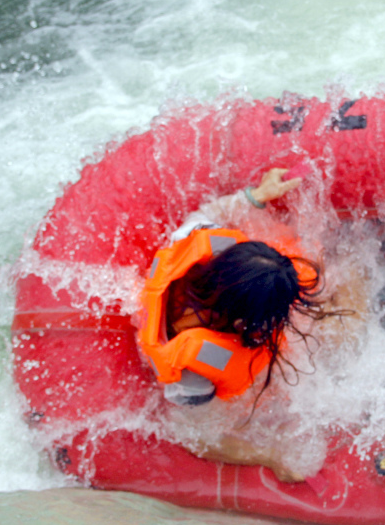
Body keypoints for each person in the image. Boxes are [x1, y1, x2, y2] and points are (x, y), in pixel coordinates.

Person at [134, 167, 346, 482]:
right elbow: (195, 434)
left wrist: (256, 197)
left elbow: (204, 213)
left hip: (222, 307)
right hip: (219, 362)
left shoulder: (194, 242)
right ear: (244, 323)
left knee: (338, 280)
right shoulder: (193, 373)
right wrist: (270, 457)